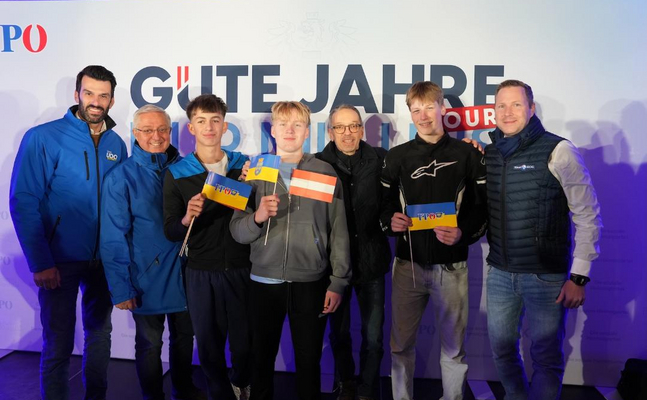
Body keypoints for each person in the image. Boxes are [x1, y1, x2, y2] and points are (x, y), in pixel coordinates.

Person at [10, 65, 127, 400]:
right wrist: (40, 262)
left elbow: (119, 204)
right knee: (58, 341)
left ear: (112, 100)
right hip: (59, 260)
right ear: (77, 95)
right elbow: (24, 200)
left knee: (100, 335)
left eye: (103, 96)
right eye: (89, 93)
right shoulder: (43, 137)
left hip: (103, 260)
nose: (96, 101)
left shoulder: (117, 143)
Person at [484, 79, 602, 400]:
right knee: (502, 351)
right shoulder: (490, 153)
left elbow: (587, 215)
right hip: (500, 274)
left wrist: (579, 276)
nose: (508, 112)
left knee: (546, 358)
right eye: (501, 106)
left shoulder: (559, 150)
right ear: (493, 111)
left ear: (531, 108)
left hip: (546, 277)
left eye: (516, 104)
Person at [230, 101, 351, 400]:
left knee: (309, 362)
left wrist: (338, 281)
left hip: (310, 281)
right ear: (272, 130)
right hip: (263, 281)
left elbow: (339, 230)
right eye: (283, 124)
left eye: (297, 125)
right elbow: (237, 231)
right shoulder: (254, 170)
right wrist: (257, 217)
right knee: (261, 360)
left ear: (307, 132)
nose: (290, 130)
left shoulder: (325, 171)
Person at [380, 81, 487, 400]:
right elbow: (383, 205)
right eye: (416, 110)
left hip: (452, 268)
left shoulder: (467, 154)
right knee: (400, 346)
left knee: (454, 349)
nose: (423, 116)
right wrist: (390, 222)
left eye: (429, 108)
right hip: (407, 267)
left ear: (443, 108)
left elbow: (482, 208)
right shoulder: (397, 157)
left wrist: (463, 233)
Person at [100, 105, 205, 400]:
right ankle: (152, 396)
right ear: (135, 133)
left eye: (161, 129)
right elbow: (112, 238)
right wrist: (121, 288)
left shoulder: (188, 169)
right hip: (145, 278)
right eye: (147, 130)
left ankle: (183, 390)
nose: (155, 136)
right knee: (149, 345)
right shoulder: (121, 177)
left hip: (187, 275)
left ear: (170, 131)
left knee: (184, 339)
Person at [163, 94, 252, 400]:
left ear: (225, 126)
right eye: (201, 121)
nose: (209, 127)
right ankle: (219, 394)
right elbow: (171, 229)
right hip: (201, 272)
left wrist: (251, 187)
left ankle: (242, 384)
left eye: (215, 120)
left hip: (242, 267)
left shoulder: (244, 165)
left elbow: (257, 214)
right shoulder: (177, 172)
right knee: (209, 347)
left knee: (245, 344)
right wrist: (186, 218)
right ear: (191, 128)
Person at [315, 105, 390, 400]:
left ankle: (368, 390)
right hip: (335, 267)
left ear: (362, 129)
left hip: (372, 262)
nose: (347, 133)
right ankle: (345, 383)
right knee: (339, 332)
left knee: (373, 337)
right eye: (340, 127)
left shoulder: (382, 160)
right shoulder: (316, 164)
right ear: (330, 132)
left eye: (353, 126)